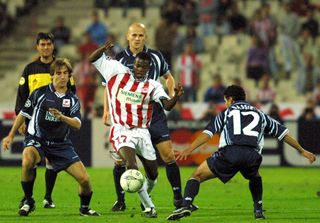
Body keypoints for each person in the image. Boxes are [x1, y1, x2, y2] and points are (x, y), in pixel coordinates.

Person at [167, 85, 316, 221]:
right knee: (255, 176)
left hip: (229, 153)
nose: (226, 103)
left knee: (196, 176)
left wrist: (188, 149)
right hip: (252, 155)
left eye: (226, 100)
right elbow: (283, 134)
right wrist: (302, 151)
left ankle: (186, 205)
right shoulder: (260, 114)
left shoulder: (227, 112)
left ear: (230, 99)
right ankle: (258, 210)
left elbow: (208, 133)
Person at [103, 23, 193, 212]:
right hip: (128, 116)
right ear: (128, 37)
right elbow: (108, 86)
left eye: (141, 35)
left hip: (154, 114)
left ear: (145, 37)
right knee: (121, 161)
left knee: (168, 155)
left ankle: (179, 199)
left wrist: (170, 95)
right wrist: (107, 111)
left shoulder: (156, 56)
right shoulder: (119, 59)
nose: (137, 39)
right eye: (134, 35)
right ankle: (121, 201)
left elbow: (168, 77)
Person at [90, 41, 184, 218]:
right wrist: (104, 49)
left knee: (153, 174)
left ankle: (145, 197)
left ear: (148, 68)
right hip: (121, 130)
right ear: (134, 64)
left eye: (144, 66)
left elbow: (168, 105)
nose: (140, 68)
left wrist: (176, 96)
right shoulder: (116, 71)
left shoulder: (152, 85)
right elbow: (92, 58)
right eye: (138, 64)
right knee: (132, 167)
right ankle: (149, 208)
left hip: (142, 132)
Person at [2, 58, 100, 217]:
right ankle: (28, 201)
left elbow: (77, 124)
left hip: (61, 145)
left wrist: (62, 117)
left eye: (65, 73)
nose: (62, 76)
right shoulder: (39, 93)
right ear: (52, 76)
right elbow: (23, 113)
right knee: (27, 160)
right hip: (37, 140)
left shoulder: (73, 99)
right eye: (58, 73)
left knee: (85, 180)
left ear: (69, 76)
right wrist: (10, 135)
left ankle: (84, 208)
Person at [14, 32, 76, 209]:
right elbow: (22, 97)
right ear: (37, 47)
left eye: (49, 44)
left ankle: (48, 197)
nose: (46, 47)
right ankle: (29, 197)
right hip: (34, 123)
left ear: (53, 46)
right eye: (42, 44)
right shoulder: (29, 69)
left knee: (51, 160)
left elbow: (72, 96)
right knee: (31, 159)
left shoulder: (62, 68)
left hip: (56, 122)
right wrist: (22, 119)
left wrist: (66, 118)